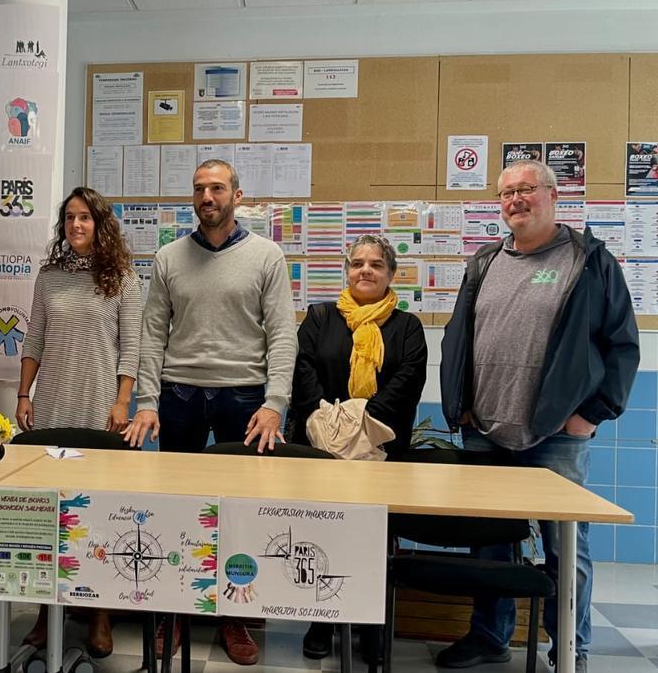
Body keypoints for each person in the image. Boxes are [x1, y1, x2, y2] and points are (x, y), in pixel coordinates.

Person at [438, 160, 639, 673]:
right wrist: (457, 403)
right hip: (485, 431)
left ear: (553, 194)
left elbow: (621, 346)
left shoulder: (590, 261)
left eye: (525, 189)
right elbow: (461, 336)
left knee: (566, 549)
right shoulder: (484, 262)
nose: (514, 200)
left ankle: (570, 648)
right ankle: (489, 636)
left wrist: (590, 415)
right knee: (489, 546)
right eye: (506, 193)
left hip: (556, 436)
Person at [124, 159, 298, 665]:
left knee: (238, 513)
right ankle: (176, 612)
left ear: (237, 196)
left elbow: (282, 335)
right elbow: (153, 332)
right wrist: (147, 400)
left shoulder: (267, 256)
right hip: (179, 396)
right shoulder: (168, 257)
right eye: (200, 189)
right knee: (178, 510)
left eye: (217, 188)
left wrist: (275, 405)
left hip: (243, 399)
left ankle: (235, 615)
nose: (207, 196)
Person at [15, 186, 142, 657]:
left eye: (85, 217)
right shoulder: (48, 278)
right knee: (50, 513)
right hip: (51, 404)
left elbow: (132, 346)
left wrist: (123, 400)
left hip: (99, 405)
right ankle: (48, 612)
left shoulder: (122, 277)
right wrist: (23, 393)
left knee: (99, 514)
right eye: (69, 218)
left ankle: (100, 612)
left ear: (100, 222)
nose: (76, 226)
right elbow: (34, 338)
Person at [288, 234, 427, 661]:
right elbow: (303, 370)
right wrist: (327, 425)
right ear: (346, 270)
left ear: (391, 274)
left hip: (379, 451)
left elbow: (408, 380)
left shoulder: (407, 327)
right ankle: (321, 620)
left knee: (372, 541)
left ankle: (371, 625)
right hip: (320, 449)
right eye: (357, 263)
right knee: (322, 534)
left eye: (376, 265)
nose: (365, 271)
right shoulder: (319, 317)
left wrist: (361, 427)